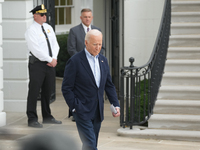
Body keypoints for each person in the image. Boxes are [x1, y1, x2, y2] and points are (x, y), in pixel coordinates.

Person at [62, 29, 120, 150]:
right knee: (91, 145)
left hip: (97, 111)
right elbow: (66, 88)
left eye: (100, 44)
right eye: (95, 44)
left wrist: (115, 104)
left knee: (90, 145)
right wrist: (75, 107)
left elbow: (108, 85)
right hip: (82, 110)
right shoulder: (75, 61)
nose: (98, 47)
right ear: (86, 43)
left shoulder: (103, 60)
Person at [25, 4, 62, 128]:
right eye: (42, 14)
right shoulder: (31, 30)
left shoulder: (48, 27)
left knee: (47, 91)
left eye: (45, 14)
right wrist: (49, 59)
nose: (44, 16)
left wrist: (54, 58)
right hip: (38, 64)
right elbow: (35, 49)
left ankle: (47, 116)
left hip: (50, 63)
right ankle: (32, 118)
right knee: (34, 92)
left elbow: (55, 45)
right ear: (35, 16)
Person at [67, 8, 105, 120]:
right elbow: (71, 49)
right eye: (85, 17)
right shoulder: (74, 30)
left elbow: (101, 47)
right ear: (81, 18)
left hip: (95, 63)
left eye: (89, 17)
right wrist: (81, 60)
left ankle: (94, 111)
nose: (87, 19)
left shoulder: (97, 30)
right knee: (77, 89)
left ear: (92, 18)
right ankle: (75, 111)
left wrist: (95, 55)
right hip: (79, 66)